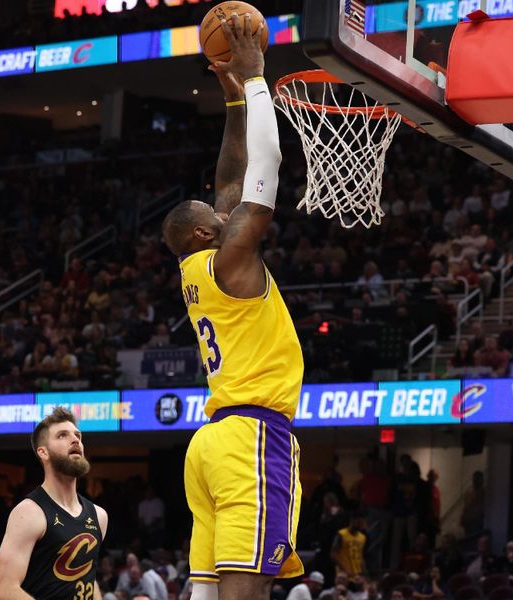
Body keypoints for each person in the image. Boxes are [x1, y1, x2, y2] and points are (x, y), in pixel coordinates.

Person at [162, 15, 303, 600]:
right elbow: (262, 178)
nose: (226, 214)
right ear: (203, 234)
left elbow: (229, 178)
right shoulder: (228, 260)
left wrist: (233, 107)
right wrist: (256, 79)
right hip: (251, 437)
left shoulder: (199, 265)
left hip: (212, 443)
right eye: (215, 218)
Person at [0, 407, 109, 599]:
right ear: (43, 453)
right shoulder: (29, 512)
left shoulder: (99, 515)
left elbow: (88, 577)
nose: (75, 440)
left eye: (78, 435)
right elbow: (5, 590)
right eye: (62, 436)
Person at [331, 514, 367, 579]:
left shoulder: (362, 537)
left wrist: (364, 573)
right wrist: (343, 568)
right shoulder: (341, 534)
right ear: (352, 521)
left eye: (362, 523)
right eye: (359, 522)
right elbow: (333, 554)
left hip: (357, 575)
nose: (361, 525)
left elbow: (361, 556)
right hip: (344, 575)